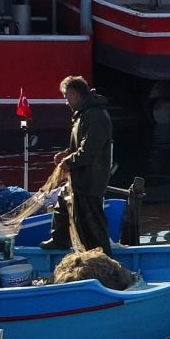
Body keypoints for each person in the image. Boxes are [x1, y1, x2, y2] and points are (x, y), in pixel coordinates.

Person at [56, 76, 114, 253]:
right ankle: (59, 240)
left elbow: (89, 151)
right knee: (63, 201)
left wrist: (70, 162)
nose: (66, 102)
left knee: (93, 227)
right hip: (80, 178)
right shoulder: (83, 115)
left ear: (74, 95)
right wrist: (67, 153)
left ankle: (103, 261)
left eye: (66, 97)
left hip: (90, 181)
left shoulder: (95, 115)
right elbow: (81, 145)